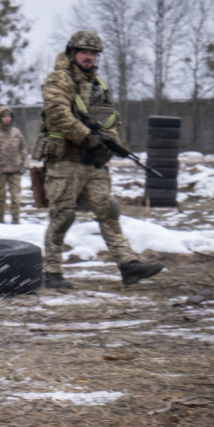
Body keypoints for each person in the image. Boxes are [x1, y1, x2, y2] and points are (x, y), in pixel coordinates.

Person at [39, 31, 164, 289]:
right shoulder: (58, 79)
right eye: (84, 52)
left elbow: (109, 119)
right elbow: (57, 115)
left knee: (108, 211)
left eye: (93, 53)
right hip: (65, 161)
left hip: (93, 163)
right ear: (73, 53)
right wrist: (88, 137)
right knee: (62, 216)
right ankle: (52, 271)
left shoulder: (99, 85)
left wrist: (113, 145)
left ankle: (128, 265)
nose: (89, 57)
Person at [0, 107, 28, 224]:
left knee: (16, 198)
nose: (7, 118)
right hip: (0, 171)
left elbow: (23, 149)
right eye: (4, 116)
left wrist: (25, 164)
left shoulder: (17, 132)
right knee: (0, 198)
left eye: (9, 116)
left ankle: (15, 221)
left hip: (15, 170)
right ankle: (0, 221)